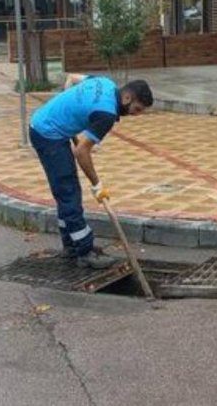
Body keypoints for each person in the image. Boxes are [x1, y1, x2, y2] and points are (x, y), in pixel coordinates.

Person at [29, 74, 153, 269]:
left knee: (66, 192)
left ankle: (71, 247)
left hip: (45, 123)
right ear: (127, 98)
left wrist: (68, 105)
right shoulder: (106, 114)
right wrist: (97, 185)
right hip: (48, 134)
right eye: (136, 109)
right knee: (69, 192)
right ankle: (84, 252)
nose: (135, 114)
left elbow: (72, 78)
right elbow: (81, 151)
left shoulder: (105, 83)